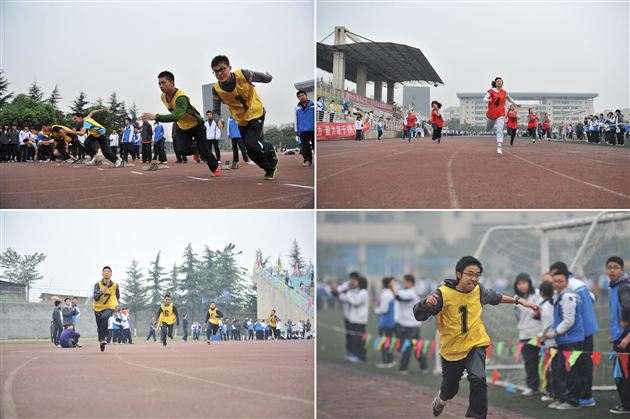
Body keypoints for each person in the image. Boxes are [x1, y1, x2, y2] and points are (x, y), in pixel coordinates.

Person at [413, 256, 540, 418]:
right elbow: (419, 315)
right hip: (452, 350)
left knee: (478, 378)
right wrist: (426, 304)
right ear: (458, 274)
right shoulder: (442, 294)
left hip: (475, 343)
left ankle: (477, 416)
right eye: (470, 274)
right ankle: (442, 399)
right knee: (450, 389)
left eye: (477, 275)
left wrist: (519, 301)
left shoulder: (478, 290)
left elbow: (497, 297)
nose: (474, 278)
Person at [210, 55, 278, 180]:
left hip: (256, 112)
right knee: (250, 152)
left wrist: (269, 77)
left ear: (229, 67)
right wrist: (218, 119)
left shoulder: (243, 74)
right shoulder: (216, 89)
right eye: (216, 71)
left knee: (251, 144)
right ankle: (269, 168)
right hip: (241, 120)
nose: (220, 73)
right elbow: (215, 111)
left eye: (223, 69)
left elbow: (262, 77)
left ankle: (269, 149)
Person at [141, 71, 220, 176]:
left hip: (196, 125)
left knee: (204, 150)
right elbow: (176, 116)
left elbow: (176, 116)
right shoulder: (163, 97)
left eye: (163, 83)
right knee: (181, 150)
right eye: (159, 83)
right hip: (182, 127)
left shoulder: (180, 97)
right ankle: (198, 149)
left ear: (172, 83)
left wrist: (156, 116)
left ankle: (215, 168)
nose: (161, 86)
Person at [550, 261, 598, 407]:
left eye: (554, 275)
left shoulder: (569, 288)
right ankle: (583, 396)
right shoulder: (579, 283)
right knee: (583, 363)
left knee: (578, 365)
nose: (553, 280)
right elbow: (593, 298)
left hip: (578, 331)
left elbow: (569, 316)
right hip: (587, 327)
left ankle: (580, 397)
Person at [544, 269, 584, 410]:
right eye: (555, 281)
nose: (557, 284)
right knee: (562, 371)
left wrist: (554, 333)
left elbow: (569, 321)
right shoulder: (558, 296)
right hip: (563, 340)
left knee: (571, 371)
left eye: (560, 281)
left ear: (567, 282)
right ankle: (563, 398)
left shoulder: (568, 297)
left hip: (571, 340)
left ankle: (573, 401)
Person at [605, 256, 630, 414]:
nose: (612, 270)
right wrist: (614, 334)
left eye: (615, 267)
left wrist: (627, 335)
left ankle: (627, 406)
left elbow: (628, 307)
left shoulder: (623, 287)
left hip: (626, 339)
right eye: (609, 267)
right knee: (620, 374)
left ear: (621, 270)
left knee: (624, 375)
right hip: (619, 337)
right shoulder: (614, 287)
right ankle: (626, 404)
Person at [391, 274, 427, 374]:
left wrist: (392, 286)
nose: (403, 283)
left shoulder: (411, 293)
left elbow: (397, 296)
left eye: (404, 281)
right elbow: (398, 294)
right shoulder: (408, 292)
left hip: (410, 326)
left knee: (406, 347)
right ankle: (424, 366)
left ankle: (403, 368)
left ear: (410, 282)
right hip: (413, 325)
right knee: (416, 347)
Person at [513, 273, 542, 396]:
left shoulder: (538, 293)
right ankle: (532, 387)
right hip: (524, 335)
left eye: (524, 282)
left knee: (544, 362)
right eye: (519, 283)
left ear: (529, 283)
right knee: (530, 362)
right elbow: (518, 317)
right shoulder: (516, 299)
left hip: (540, 334)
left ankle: (549, 388)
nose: (522, 286)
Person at [330, 274, 369, 363]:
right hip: (354, 319)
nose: (354, 283)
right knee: (354, 339)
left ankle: (361, 356)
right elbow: (346, 298)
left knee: (359, 340)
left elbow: (354, 301)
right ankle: (355, 354)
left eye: (356, 282)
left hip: (360, 320)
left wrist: (345, 292)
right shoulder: (357, 292)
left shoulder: (363, 292)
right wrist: (337, 293)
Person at [483, 77, 520, 155]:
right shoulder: (491, 91)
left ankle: (499, 146)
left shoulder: (504, 92)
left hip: (501, 113)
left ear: (502, 83)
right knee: (487, 129)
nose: (499, 82)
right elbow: (484, 98)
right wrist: (488, 100)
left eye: (500, 81)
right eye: (497, 81)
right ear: (495, 83)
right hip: (491, 114)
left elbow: (510, 99)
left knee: (500, 129)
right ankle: (489, 127)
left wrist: (516, 104)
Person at [539, 281, 559, 404]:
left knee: (550, 368)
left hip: (550, 342)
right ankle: (554, 392)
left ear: (541, 293)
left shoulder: (545, 306)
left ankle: (552, 392)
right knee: (554, 368)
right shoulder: (553, 303)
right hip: (556, 340)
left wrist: (542, 336)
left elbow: (547, 325)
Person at [92, 266, 120, 352]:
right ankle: (101, 339)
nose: (106, 272)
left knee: (104, 317)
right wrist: (101, 292)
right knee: (99, 326)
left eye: (108, 271)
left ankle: (104, 338)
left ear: (111, 274)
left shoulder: (115, 285)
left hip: (109, 306)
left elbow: (117, 296)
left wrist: (117, 303)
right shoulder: (98, 284)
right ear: (102, 273)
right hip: (98, 308)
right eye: (105, 271)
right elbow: (95, 298)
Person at [374, 277, 396, 368]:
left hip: (385, 322)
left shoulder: (385, 295)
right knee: (389, 341)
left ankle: (386, 361)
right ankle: (390, 360)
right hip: (390, 322)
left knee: (384, 342)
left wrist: (375, 310)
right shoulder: (390, 293)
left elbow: (384, 309)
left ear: (384, 284)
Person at [295, 90, 314, 167]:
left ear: (306, 96)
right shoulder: (297, 108)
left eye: (302, 95)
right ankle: (307, 160)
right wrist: (296, 130)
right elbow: (295, 119)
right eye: (299, 96)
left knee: (315, 145)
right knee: (305, 146)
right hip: (302, 129)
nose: (301, 97)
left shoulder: (313, 105)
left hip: (312, 128)